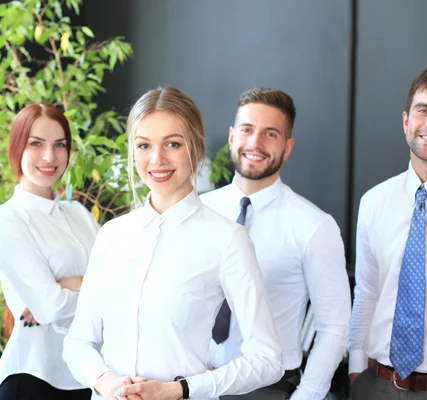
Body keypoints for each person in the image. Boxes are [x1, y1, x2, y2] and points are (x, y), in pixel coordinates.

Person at [63, 86, 283, 400]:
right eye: (143, 145)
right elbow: (77, 342)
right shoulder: (111, 235)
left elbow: (268, 359)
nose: (157, 159)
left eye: (173, 144)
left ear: (196, 148)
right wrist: (106, 381)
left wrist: (181, 389)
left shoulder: (227, 239)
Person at [205, 88, 351, 400]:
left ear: (288, 147)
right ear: (232, 136)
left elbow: (334, 328)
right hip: (192, 382)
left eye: (270, 134)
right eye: (247, 130)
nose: (255, 143)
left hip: (266, 390)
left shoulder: (314, 226)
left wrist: (306, 396)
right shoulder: (197, 212)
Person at [349, 67, 427, 398]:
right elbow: (367, 290)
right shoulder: (374, 201)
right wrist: (356, 368)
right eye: (424, 110)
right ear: (406, 120)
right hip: (376, 384)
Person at [0, 103, 97, 400]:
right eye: (36, 144)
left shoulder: (79, 214)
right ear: (17, 148)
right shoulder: (7, 218)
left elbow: (118, 288)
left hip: (90, 377)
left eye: (59, 145)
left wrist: (69, 286)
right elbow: (50, 308)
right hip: (33, 379)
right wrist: (82, 288)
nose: (49, 156)